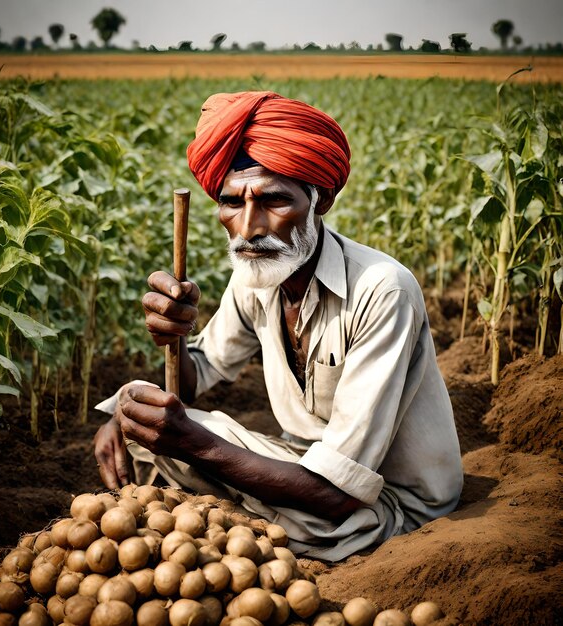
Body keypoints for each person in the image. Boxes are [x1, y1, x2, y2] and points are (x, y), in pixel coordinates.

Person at [93, 91, 463, 561]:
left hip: (386, 505)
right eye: (231, 203)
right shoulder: (257, 275)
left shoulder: (383, 289)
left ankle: (250, 520)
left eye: (273, 200)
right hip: (304, 471)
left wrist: (192, 443)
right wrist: (174, 339)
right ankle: (242, 514)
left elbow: (339, 493)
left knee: (184, 441)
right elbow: (192, 380)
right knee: (137, 413)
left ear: (320, 199)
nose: (248, 227)